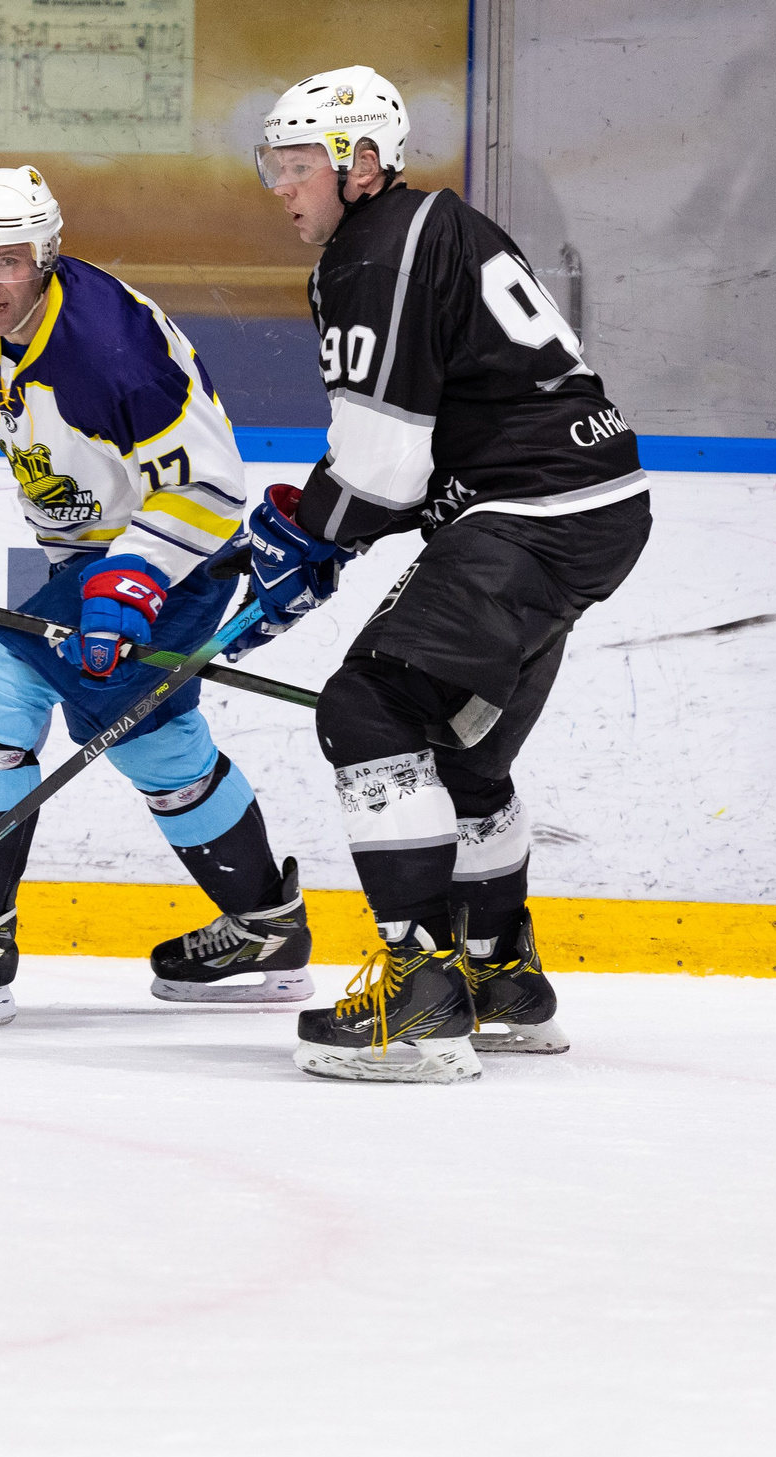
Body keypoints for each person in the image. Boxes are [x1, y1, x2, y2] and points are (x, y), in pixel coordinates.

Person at [241, 69, 652, 1082]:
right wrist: (316, 528)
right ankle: (500, 976)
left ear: (363, 166)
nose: (282, 188)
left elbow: (384, 467)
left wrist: (306, 537)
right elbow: (403, 459)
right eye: (275, 167)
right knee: (458, 751)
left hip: (527, 515)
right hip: (588, 505)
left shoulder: (373, 249)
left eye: (300, 168)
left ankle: (421, 994)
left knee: (368, 711)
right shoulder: (436, 226)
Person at [0, 164, 314, 1026]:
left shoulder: (112, 348)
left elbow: (212, 489)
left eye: (8, 261)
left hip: (177, 551)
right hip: (81, 558)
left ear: (47, 254)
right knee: (151, 738)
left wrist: (131, 584)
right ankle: (267, 927)